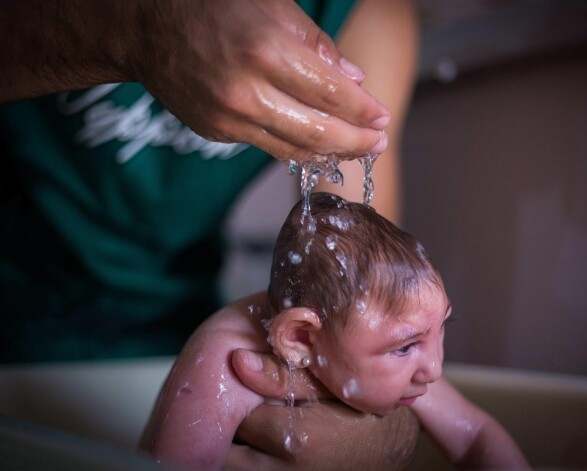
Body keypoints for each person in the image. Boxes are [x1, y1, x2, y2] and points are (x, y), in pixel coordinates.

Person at [1, 0, 422, 468]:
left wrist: (378, 421)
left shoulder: (369, 14)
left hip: (174, 333)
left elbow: (364, 294)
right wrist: (139, 28)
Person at [140, 193, 530, 470]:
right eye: (405, 347)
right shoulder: (224, 360)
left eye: (441, 329)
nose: (434, 369)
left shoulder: (375, 340)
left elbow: (475, 435)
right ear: (302, 338)